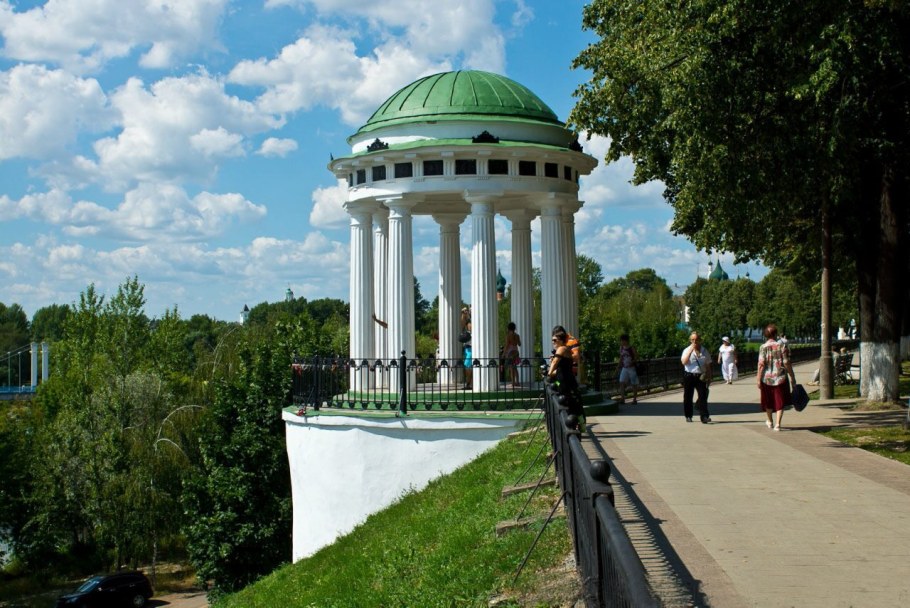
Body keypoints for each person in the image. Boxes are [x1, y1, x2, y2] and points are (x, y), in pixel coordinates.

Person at [756, 323, 795, 431]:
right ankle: (778, 424)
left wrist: (758, 378)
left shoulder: (763, 347)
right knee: (780, 401)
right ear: (776, 334)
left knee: (768, 401)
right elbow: (786, 362)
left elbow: (761, 364)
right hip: (780, 377)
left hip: (766, 378)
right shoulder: (782, 346)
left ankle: (770, 421)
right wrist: (792, 376)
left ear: (765, 335)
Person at [548, 327, 584, 424]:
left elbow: (556, 362)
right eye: (552, 340)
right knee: (572, 402)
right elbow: (561, 369)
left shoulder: (562, 349)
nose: (553, 342)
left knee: (569, 402)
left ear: (561, 340)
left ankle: (574, 425)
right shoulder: (564, 349)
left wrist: (549, 373)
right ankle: (580, 424)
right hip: (565, 380)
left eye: (554, 340)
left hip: (565, 382)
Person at [681, 331, 712, 423]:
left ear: (700, 340)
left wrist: (709, 377)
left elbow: (708, 365)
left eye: (697, 339)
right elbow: (684, 362)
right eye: (693, 340)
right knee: (688, 397)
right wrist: (691, 350)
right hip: (689, 375)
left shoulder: (704, 351)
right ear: (690, 340)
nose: (695, 341)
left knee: (703, 396)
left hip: (700, 376)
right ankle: (688, 415)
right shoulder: (686, 350)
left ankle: (704, 417)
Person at [617, 334, 639, 404]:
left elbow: (636, 357)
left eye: (622, 340)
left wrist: (632, 362)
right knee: (621, 382)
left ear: (625, 341)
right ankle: (622, 398)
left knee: (634, 384)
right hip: (624, 368)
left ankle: (634, 399)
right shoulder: (621, 348)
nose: (621, 342)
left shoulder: (631, 348)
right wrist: (618, 366)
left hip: (632, 368)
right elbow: (621, 358)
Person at [502, 321, 521, 386]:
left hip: (510, 353)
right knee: (515, 368)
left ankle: (513, 382)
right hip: (516, 352)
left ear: (508, 328)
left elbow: (507, 345)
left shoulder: (508, 336)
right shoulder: (517, 335)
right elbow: (519, 344)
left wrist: (503, 354)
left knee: (511, 368)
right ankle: (517, 382)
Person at [461, 321, 473, 389]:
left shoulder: (473, 333)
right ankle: (469, 383)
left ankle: (469, 384)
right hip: (466, 351)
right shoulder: (467, 333)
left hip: (470, 350)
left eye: (470, 325)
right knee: (467, 368)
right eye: (468, 325)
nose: (469, 326)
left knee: (467, 367)